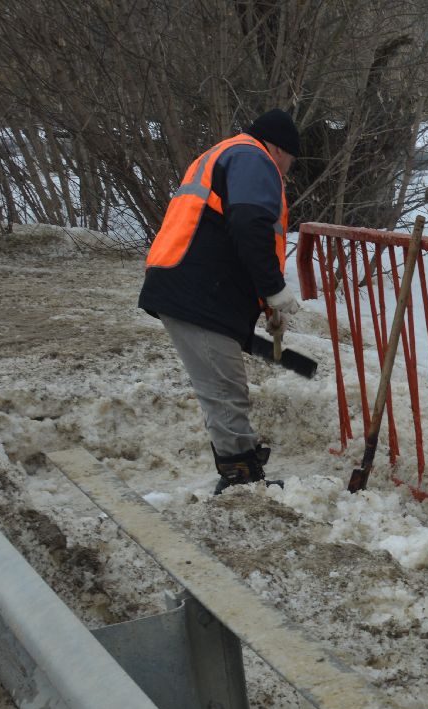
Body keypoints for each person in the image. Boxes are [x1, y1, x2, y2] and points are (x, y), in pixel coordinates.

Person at [139, 108, 303, 493]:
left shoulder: (226, 154)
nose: (285, 172)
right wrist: (274, 288)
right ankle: (241, 482)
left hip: (191, 287)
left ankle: (241, 468)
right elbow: (249, 224)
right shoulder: (253, 158)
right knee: (225, 392)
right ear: (278, 148)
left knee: (223, 387)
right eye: (289, 162)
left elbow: (229, 235)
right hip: (198, 295)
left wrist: (267, 304)